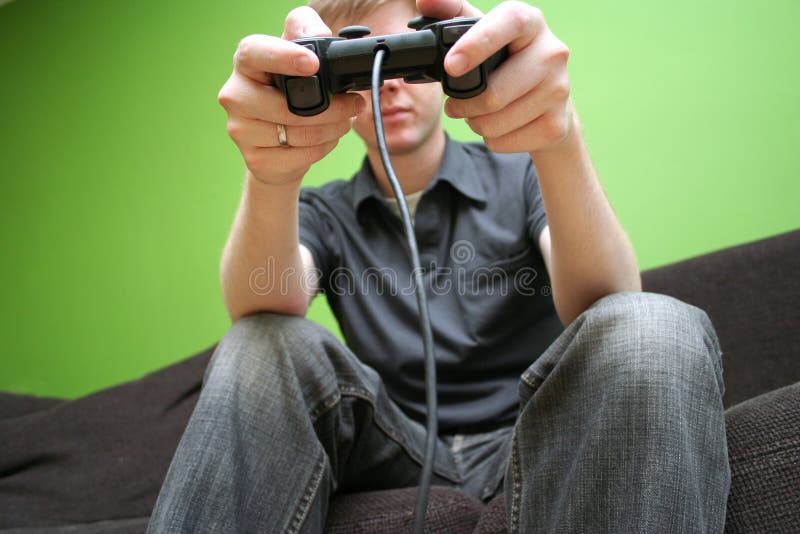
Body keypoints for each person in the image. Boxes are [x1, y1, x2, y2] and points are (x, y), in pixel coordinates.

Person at [147, 0, 731, 531]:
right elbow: (261, 309)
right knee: (259, 346)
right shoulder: (323, 212)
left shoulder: (520, 175)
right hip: (394, 445)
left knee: (651, 327)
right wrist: (270, 175)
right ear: (332, 84)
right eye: (361, 62)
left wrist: (556, 137)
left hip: (533, 430)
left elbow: (608, 300)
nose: (390, 85)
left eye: (405, 57)